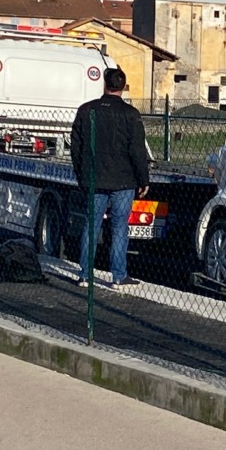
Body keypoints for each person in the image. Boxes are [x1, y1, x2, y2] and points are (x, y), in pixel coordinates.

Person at [70, 67, 150, 288]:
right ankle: (118, 275)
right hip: (124, 180)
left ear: (105, 84)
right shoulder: (131, 114)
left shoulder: (87, 111)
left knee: (92, 225)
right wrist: (143, 179)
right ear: (123, 87)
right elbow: (137, 150)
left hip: (95, 179)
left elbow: (76, 146)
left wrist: (81, 173)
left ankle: (85, 274)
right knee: (119, 226)